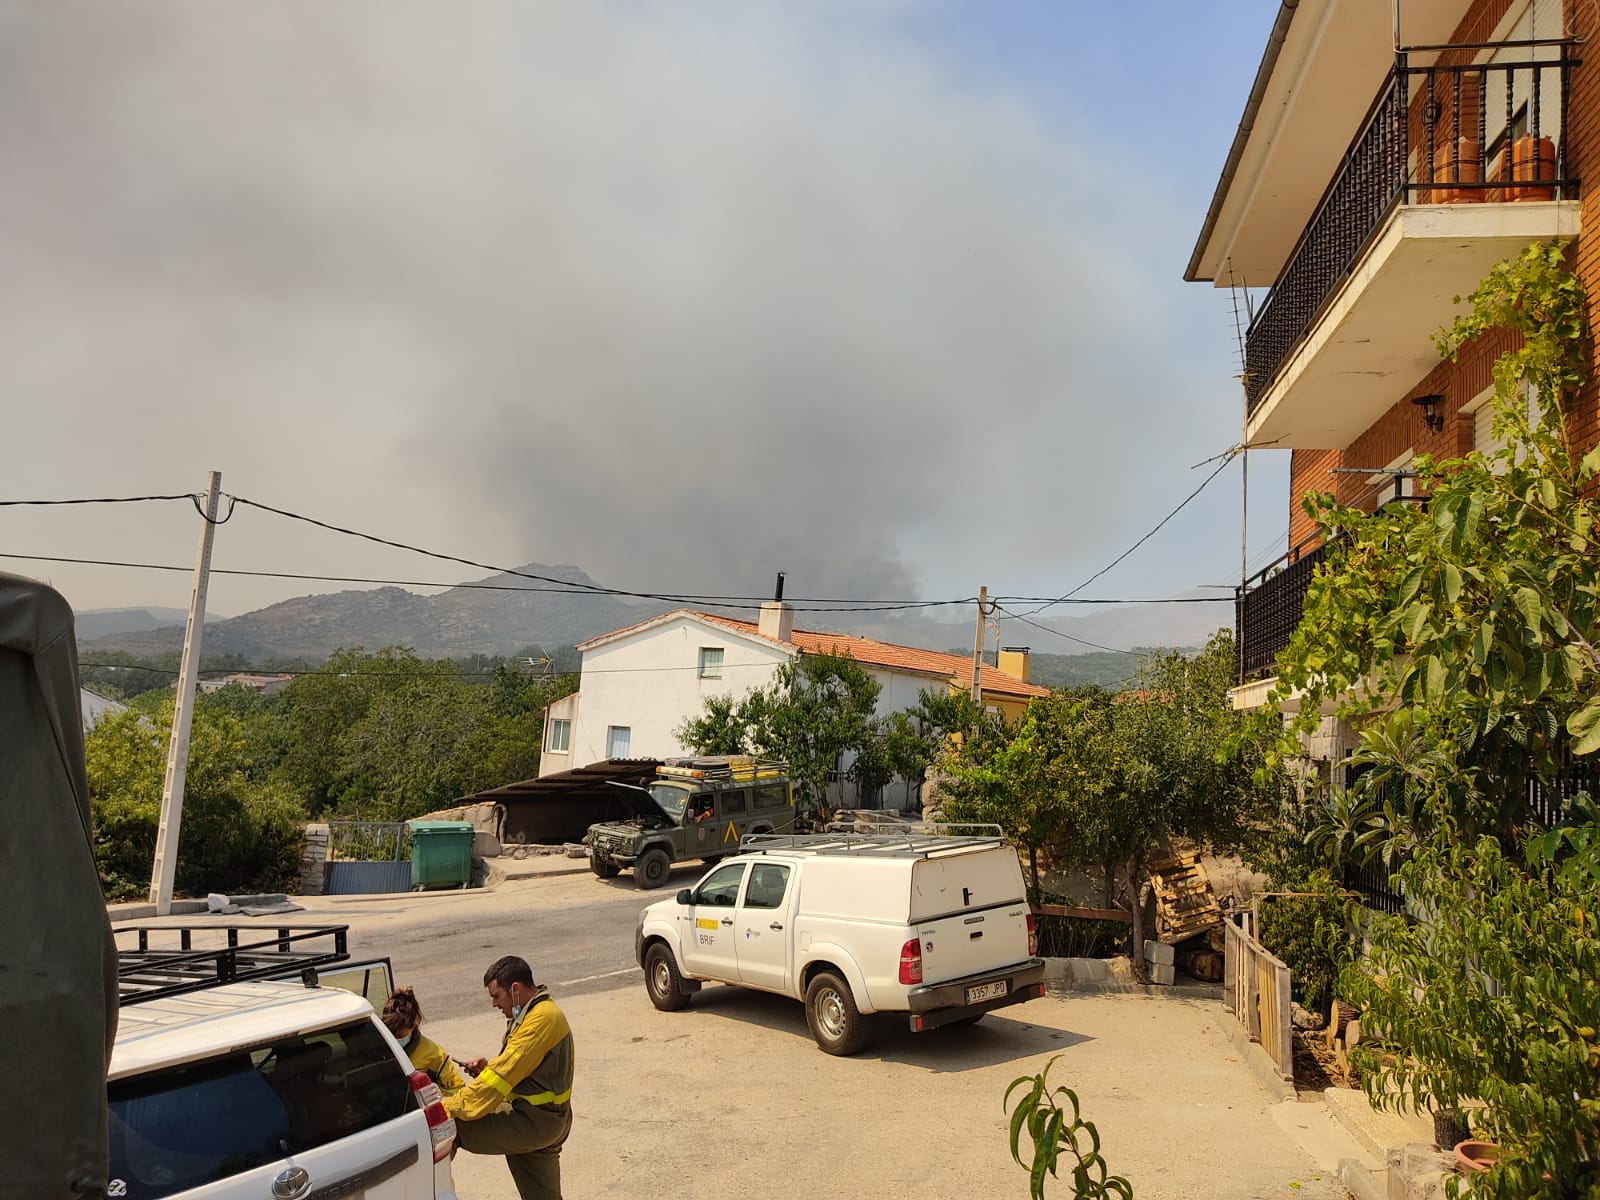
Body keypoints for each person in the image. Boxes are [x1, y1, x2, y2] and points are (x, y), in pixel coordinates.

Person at [444, 955, 575, 1200]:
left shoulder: (539, 1021)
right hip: (547, 1119)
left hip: (535, 1122)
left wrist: (447, 1106)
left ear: (514, 989)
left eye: (496, 996)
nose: (494, 1004)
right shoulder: (537, 1012)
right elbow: (518, 1068)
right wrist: (486, 1069)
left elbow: (502, 1075)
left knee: (453, 1126)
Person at [381, 986, 466, 1093]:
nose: (395, 1039)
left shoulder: (434, 1054)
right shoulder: (375, 1048)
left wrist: (430, 1097)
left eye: (400, 1035)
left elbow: (457, 1090)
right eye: (391, 1034)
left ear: (414, 1023)